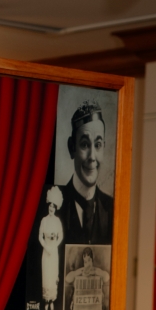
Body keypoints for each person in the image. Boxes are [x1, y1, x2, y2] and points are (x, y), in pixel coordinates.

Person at [59, 100, 113, 247]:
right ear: (72, 147)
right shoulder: (55, 206)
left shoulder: (113, 209)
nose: (92, 157)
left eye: (98, 145)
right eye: (84, 144)